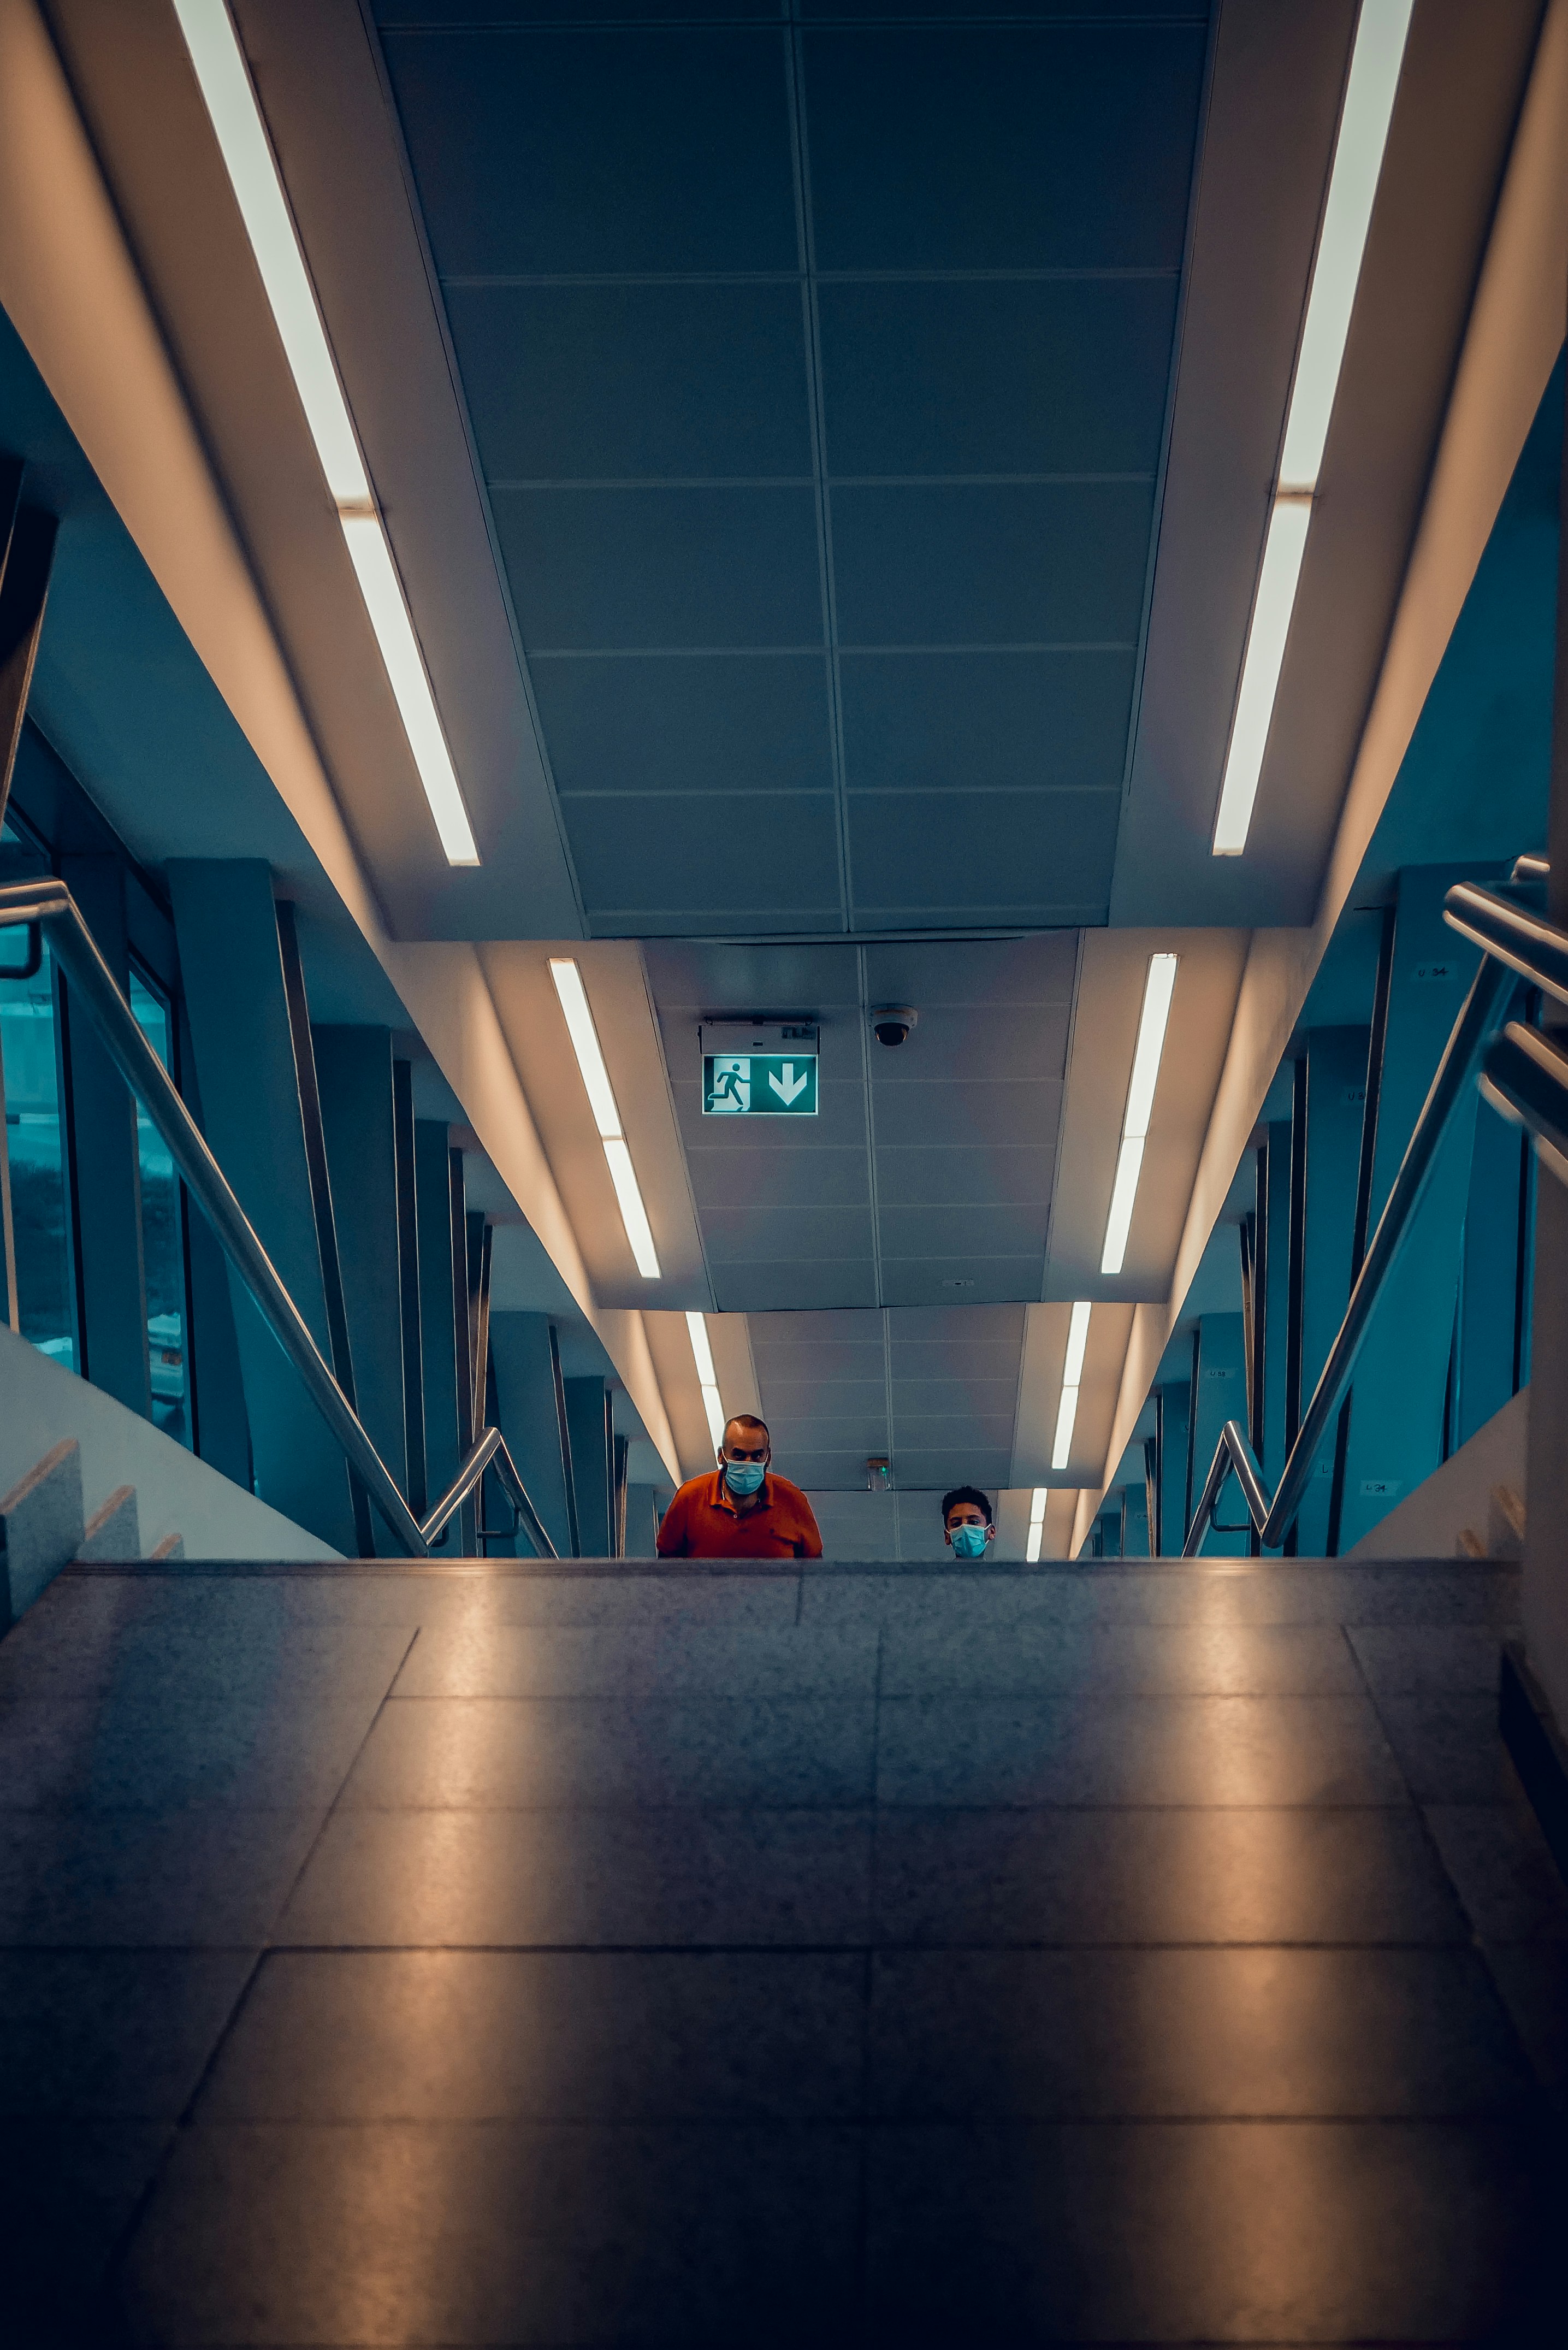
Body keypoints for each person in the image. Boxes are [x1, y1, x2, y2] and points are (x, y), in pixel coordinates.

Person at [656, 1413, 824, 1559]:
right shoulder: (690, 1497)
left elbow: (816, 1573)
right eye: (739, 1455)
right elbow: (664, 1570)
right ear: (721, 1456)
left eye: (758, 1455)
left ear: (768, 1457)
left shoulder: (792, 1500)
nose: (748, 1463)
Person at [941, 1485, 996, 1561]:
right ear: (947, 1537)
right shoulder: (935, 1573)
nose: (964, 1528)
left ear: (991, 1532)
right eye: (956, 1524)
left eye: (974, 1522)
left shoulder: (1006, 1572)